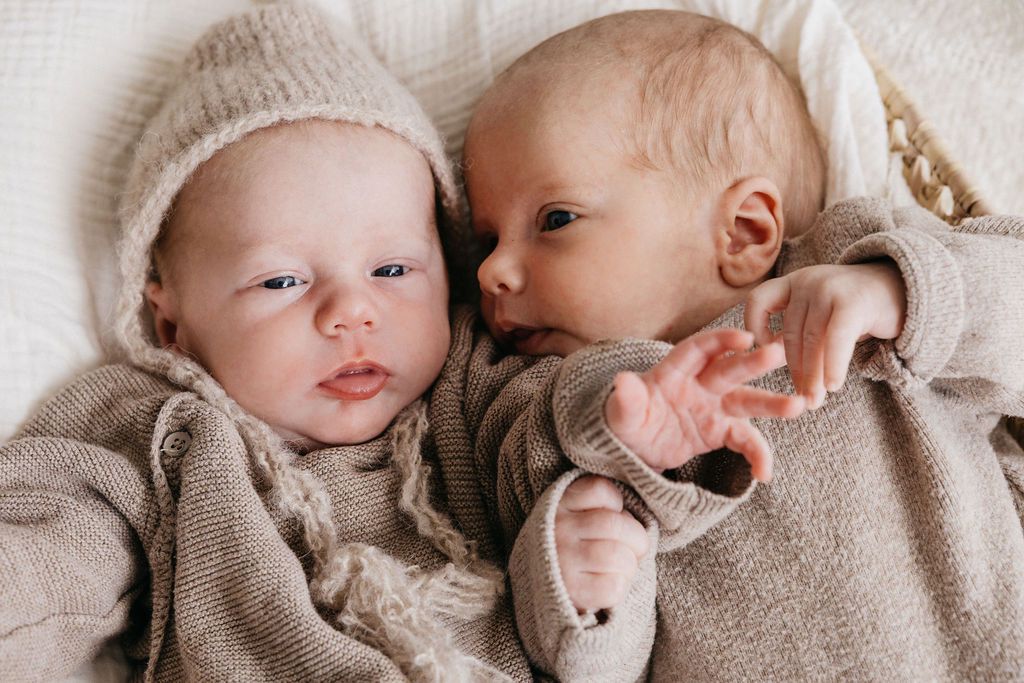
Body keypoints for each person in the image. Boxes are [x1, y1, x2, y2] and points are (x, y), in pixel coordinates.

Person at [0, 4, 803, 681]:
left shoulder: (474, 394)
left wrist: (581, 561)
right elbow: (53, 549)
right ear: (171, 323)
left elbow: (568, 421)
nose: (352, 312)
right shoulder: (160, 435)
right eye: (281, 280)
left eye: (392, 269)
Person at [462, 9, 1024, 680]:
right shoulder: (560, 420)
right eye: (486, 239)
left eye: (555, 219)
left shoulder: (853, 265)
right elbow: (586, 663)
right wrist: (578, 582)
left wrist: (900, 292)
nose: (491, 271)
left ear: (744, 232)